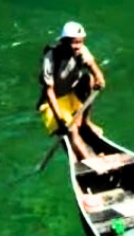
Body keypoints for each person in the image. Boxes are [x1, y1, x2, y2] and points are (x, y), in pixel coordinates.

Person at [37, 21, 106, 160]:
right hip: (53, 101)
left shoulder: (81, 50)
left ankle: (86, 122)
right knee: (72, 130)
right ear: (63, 41)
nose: (78, 46)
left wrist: (100, 77)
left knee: (89, 79)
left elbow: (92, 66)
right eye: (74, 42)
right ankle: (90, 162)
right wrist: (59, 119)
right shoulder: (51, 58)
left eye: (80, 42)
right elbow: (49, 91)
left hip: (71, 94)